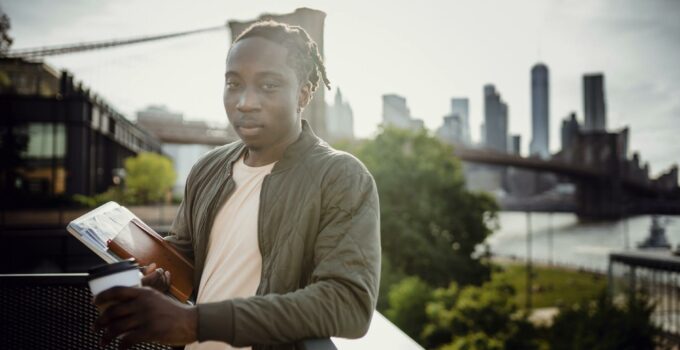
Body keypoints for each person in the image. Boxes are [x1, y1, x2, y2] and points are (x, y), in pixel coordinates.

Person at [93, 20, 381, 350]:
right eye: (234, 84)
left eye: (268, 86)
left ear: (304, 92)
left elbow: (349, 303)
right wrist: (161, 279)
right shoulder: (208, 168)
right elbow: (189, 254)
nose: (245, 102)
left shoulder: (341, 176)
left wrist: (195, 323)